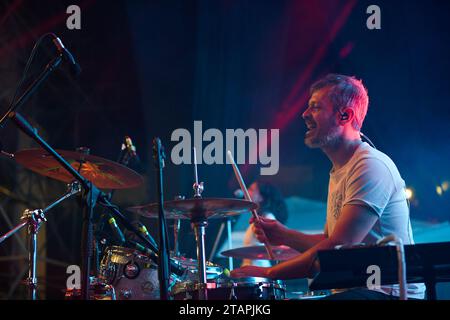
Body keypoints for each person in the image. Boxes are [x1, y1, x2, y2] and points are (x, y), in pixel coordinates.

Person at [230, 74, 425, 300]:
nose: (304, 114)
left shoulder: (370, 165)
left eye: (315, 107)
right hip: (360, 291)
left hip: (387, 294)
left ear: (345, 115)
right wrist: (283, 235)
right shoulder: (339, 170)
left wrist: (268, 273)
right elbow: (329, 240)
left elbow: (337, 247)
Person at [240, 181, 288, 267]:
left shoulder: (268, 217)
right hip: (251, 269)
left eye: (251, 189)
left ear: (261, 198)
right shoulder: (258, 217)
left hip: (259, 269)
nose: (247, 192)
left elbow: (277, 244)